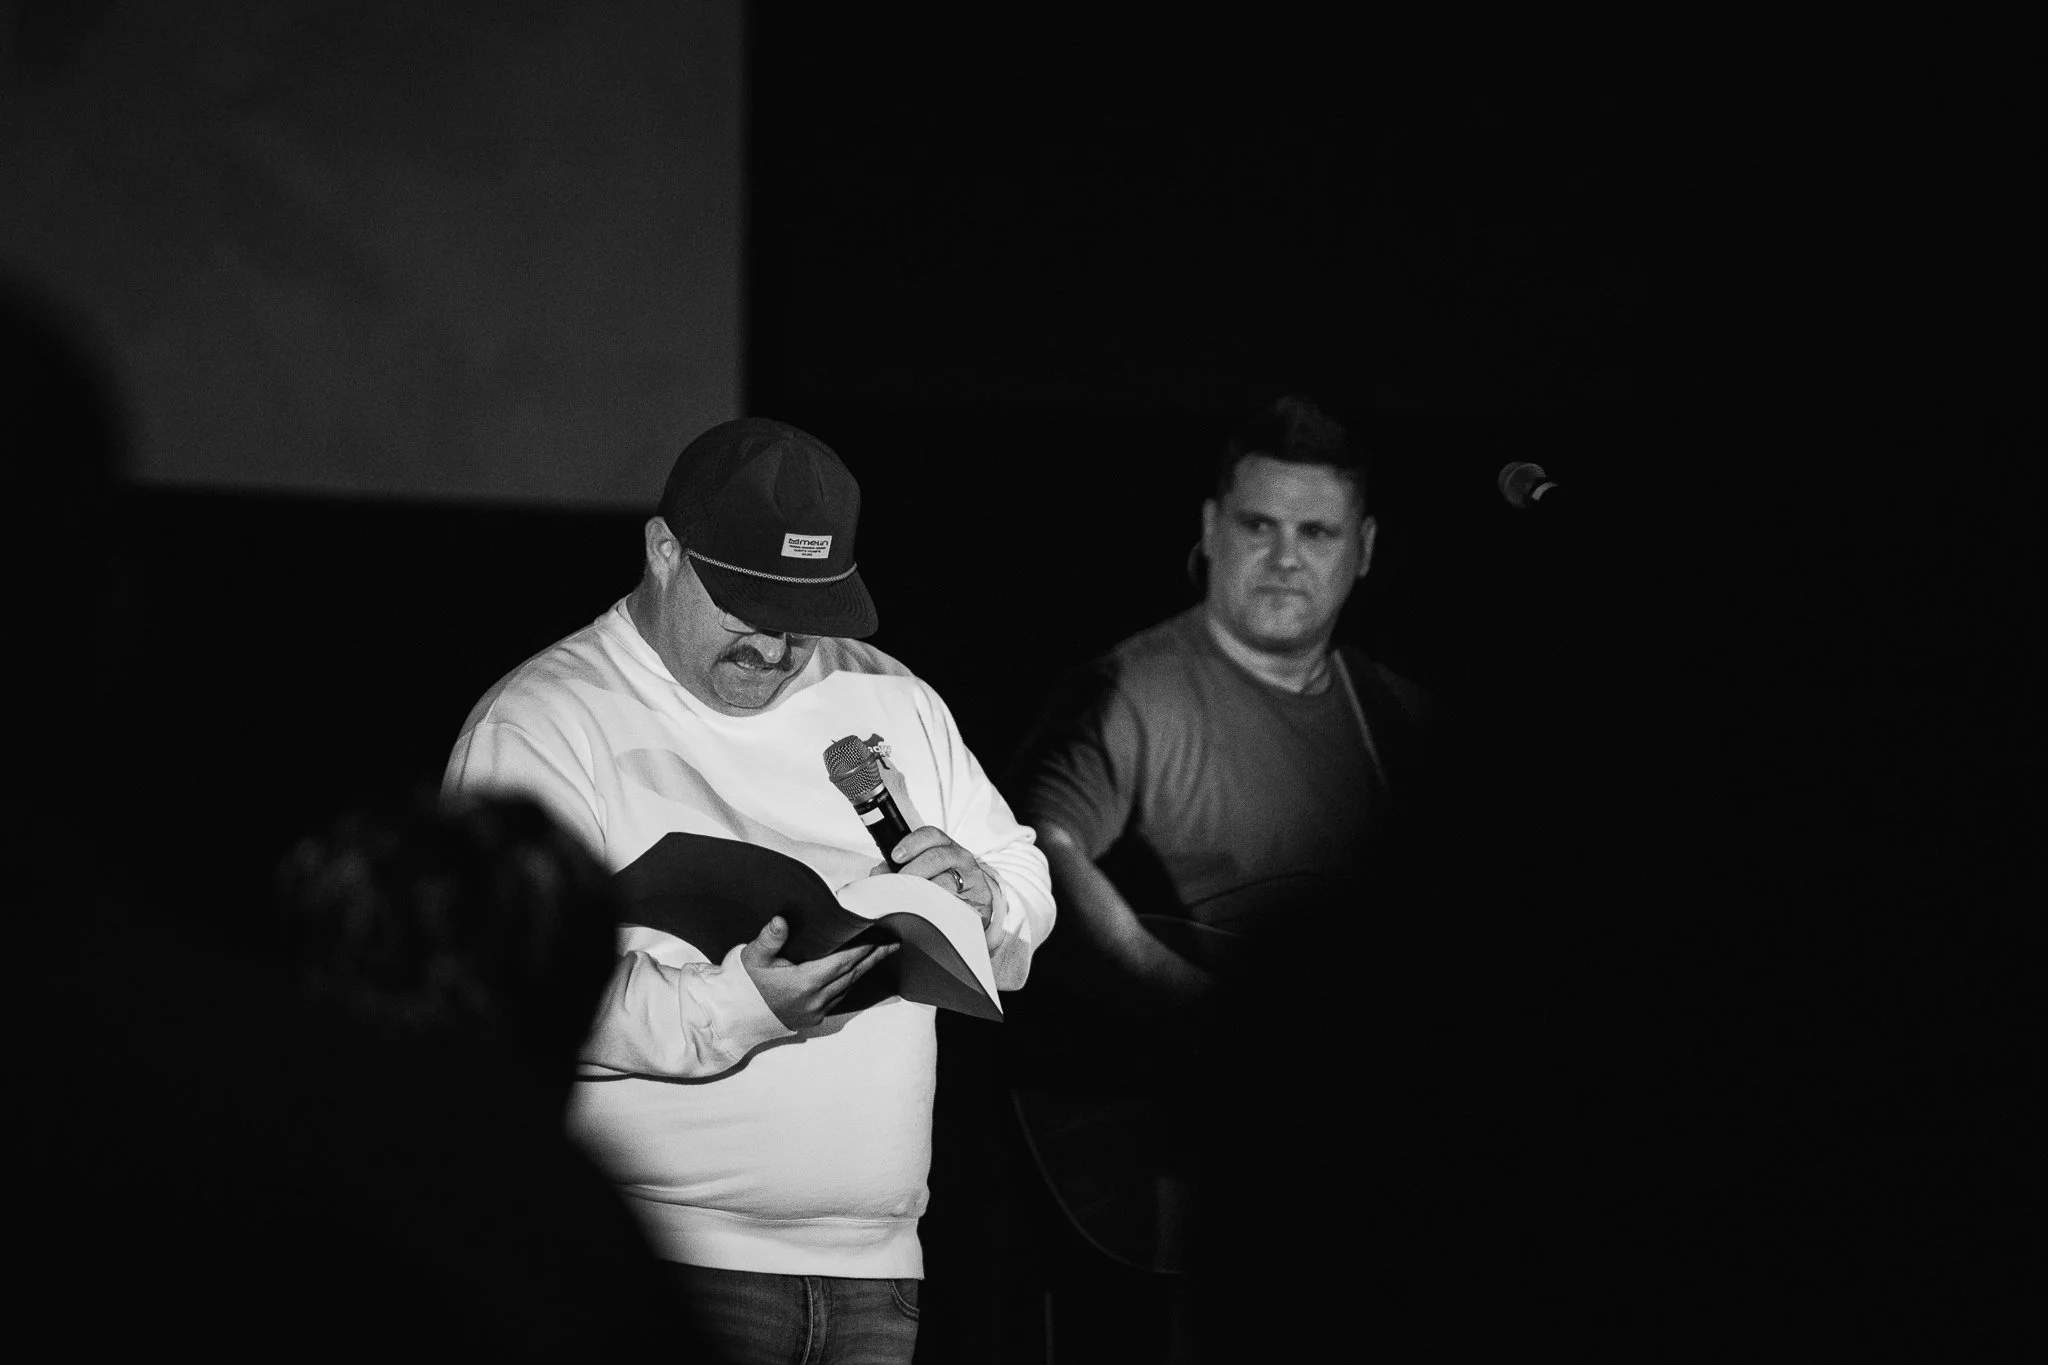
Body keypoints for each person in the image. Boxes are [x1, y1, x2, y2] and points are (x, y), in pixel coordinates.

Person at [442, 416, 1055, 1364]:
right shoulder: (545, 720)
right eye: (747, 605)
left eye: (804, 614)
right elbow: (507, 985)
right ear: (663, 551)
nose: (775, 645)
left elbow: (1021, 872)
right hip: (653, 1260)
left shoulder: (890, 696)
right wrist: (739, 1006)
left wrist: (982, 903)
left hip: (876, 1273)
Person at [1002, 395, 1433, 1362]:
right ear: (1210, 526)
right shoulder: (1132, 691)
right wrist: (1205, 1008)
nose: (1285, 557)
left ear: (1365, 548)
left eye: (1317, 532)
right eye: (1258, 525)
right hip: (1177, 1164)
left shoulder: (1403, 721)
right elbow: (1039, 849)